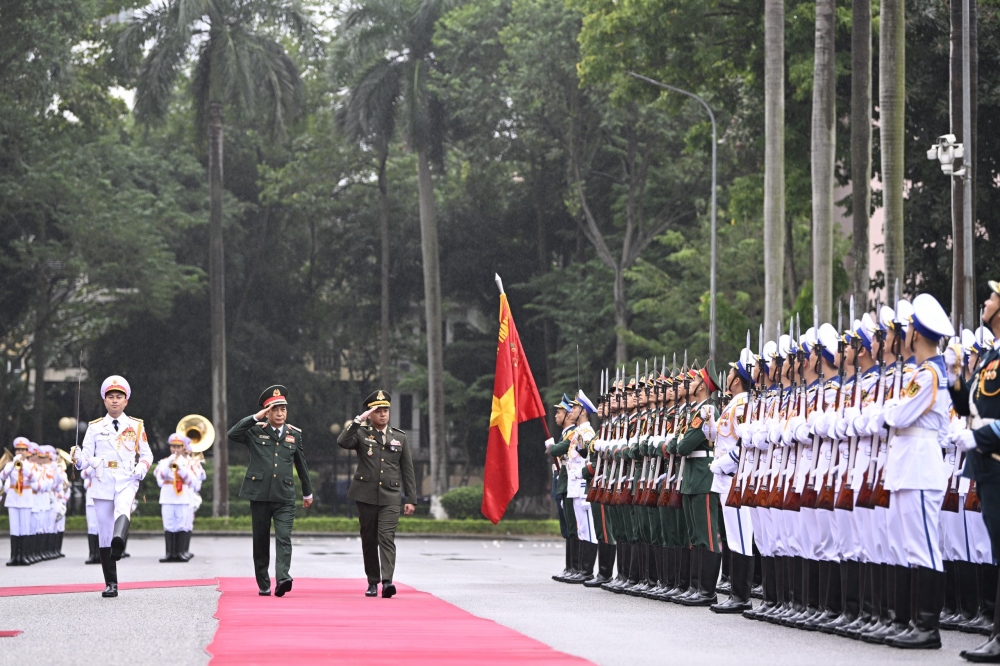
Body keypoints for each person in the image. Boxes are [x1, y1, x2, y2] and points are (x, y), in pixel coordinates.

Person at [949, 280, 1000, 663]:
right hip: (985, 466)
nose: (987, 300)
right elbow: (969, 403)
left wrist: (977, 435)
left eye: (993, 297)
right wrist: (953, 378)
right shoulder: (990, 356)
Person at [72, 375, 154, 598]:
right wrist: (78, 458)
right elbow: (85, 458)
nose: (115, 401)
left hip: (127, 477)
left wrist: (141, 469)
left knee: (123, 508)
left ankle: (120, 541)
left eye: (119, 397)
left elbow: (147, 455)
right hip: (102, 479)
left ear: (126, 400)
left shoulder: (136, 425)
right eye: (111, 397)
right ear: (104, 400)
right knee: (104, 532)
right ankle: (111, 583)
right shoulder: (95, 427)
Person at [228, 385, 313, 597]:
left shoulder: (294, 435)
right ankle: (263, 582)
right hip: (259, 495)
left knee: (284, 537)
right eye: (275, 409)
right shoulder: (255, 431)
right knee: (261, 540)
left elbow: (301, 464)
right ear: (267, 412)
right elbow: (232, 434)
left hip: (285, 495)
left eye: (283, 409)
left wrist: (307, 492)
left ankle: (283, 578)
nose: (280, 413)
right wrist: (255, 417)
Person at [337, 390, 416, 598]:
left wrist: (410, 499)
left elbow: (407, 469)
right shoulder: (362, 434)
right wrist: (357, 421)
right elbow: (343, 442)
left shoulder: (399, 436)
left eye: (385, 411)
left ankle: (387, 581)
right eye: (378, 411)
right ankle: (373, 581)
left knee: (386, 537)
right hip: (365, 495)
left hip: (390, 495)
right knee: (369, 539)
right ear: (370, 414)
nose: (383, 415)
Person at [154, 433, 193, 563]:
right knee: (169, 524)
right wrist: (169, 463)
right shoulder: (164, 462)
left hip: (182, 497)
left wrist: (180, 467)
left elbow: (190, 480)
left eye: (178, 447)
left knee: (181, 524)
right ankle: (169, 553)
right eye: (173, 447)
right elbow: (161, 475)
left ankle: (180, 552)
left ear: (183, 448)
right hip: (168, 497)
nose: (175, 449)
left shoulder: (188, 462)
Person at [2, 437, 36, 566]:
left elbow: (34, 479)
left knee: (25, 528)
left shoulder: (30, 465)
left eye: (23, 450)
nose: (20, 452)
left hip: (25, 498)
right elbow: (2, 476)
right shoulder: (10, 465)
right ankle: (14, 556)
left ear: (27, 452)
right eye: (18, 450)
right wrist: (13, 466)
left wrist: (22, 468)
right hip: (13, 498)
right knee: (14, 529)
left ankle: (23, 556)